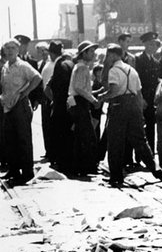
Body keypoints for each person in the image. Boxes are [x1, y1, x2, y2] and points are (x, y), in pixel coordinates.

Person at [98, 44, 162, 187]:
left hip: (119, 106)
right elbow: (139, 93)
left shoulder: (114, 70)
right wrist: (140, 112)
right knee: (140, 140)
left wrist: (102, 97)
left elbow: (113, 90)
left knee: (115, 142)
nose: (106, 58)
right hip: (134, 106)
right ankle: (155, 168)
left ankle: (116, 176)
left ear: (114, 55)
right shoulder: (132, 70)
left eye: (108, 55)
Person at [1, 39, 41, 185]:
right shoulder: (6, 66)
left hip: (20, 106)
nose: (10, 51)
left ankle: (27, 172)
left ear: (18, 50)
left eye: (13, 48)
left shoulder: (23, 65)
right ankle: (14, 170)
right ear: (4, 51)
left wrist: (26, 92)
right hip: (8, 106)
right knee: (10, 140)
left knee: (23, 139)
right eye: (7, 48)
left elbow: (37, 77)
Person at [66, 41, 100, 177]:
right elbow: (79, 88)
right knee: (87, 136)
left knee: (81, 135)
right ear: (83, 53)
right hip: (80, 103)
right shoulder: (82, 68)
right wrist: (93, 100)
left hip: (77, 103)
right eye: (90, 51)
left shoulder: (80, 67)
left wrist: (94, 94)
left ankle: (79, 166)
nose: (93, 54)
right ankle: (85, 167)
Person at [45, 41, 75, 171]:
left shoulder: (57, 65)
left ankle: (60, 161)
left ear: (51, 54)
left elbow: (51, 87)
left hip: (60, 106)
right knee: (67, 133)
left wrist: (54, 101)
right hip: (69, 104)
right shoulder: (69, 63)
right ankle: (67, 161)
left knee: (58, 133)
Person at [133, 31, 161, 151]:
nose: (153, 47)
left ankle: (150, 151)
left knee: (151, 126)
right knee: (139, 127)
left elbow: (155, 82)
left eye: (155, 44)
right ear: (145, 45)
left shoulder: (155, 62)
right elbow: (136, 80)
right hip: (141, 98)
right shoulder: (138, 59)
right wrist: (141, 98)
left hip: (152, 99)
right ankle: (139, 155)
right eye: (150, 44)